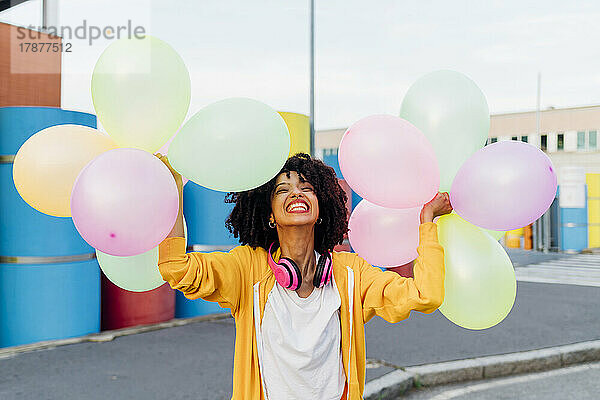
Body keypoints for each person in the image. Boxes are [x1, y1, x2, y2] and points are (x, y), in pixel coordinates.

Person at [156, 152, 452, 400]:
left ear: (320, 206)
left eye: (306, 187)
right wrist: (172, 192)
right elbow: (177, 268)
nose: (296, 192)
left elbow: (426, 294)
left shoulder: (350, 274)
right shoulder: (248, 269)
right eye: (282, 189)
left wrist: (427, 222)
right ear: (269, 214)